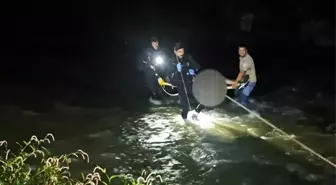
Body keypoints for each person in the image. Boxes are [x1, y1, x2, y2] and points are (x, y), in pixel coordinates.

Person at [170, 42, 205, 120]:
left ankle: (196, 113)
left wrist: (192, 70)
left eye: (182, 51)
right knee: (185, 109)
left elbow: (197, 66)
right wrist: (176, 71)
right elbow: (170, 79)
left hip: (190, 84)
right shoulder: (171, 61)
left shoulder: (188, 57)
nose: (181, 53)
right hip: (181, 86)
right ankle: (185, 122)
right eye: (179, 51)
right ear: (175, 52)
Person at [137, 37, 173, 105]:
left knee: (161, 85)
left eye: (156, 42)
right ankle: (153, 97)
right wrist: (149, 64)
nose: (155, 44)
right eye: (153, 43)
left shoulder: (161, 51)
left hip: (159, 71)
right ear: (151, 44)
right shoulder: (147, 51)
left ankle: (163, 97)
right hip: (150, 72)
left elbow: (165, 62)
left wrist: (166, 73)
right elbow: (143, 61)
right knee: (152, 84)